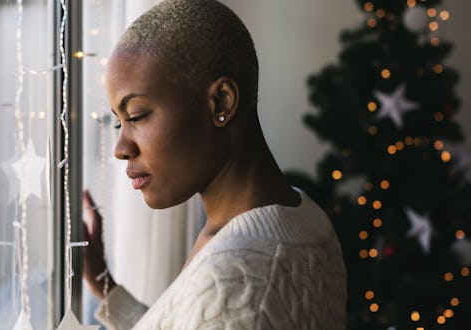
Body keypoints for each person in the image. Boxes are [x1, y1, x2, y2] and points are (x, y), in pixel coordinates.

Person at [83, 0, 347, 329]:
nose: (121, 149)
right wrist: (103, 284)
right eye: (118, 122)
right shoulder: (305, 218)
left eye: (137, 115)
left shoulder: (238, 283)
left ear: (221, 101)